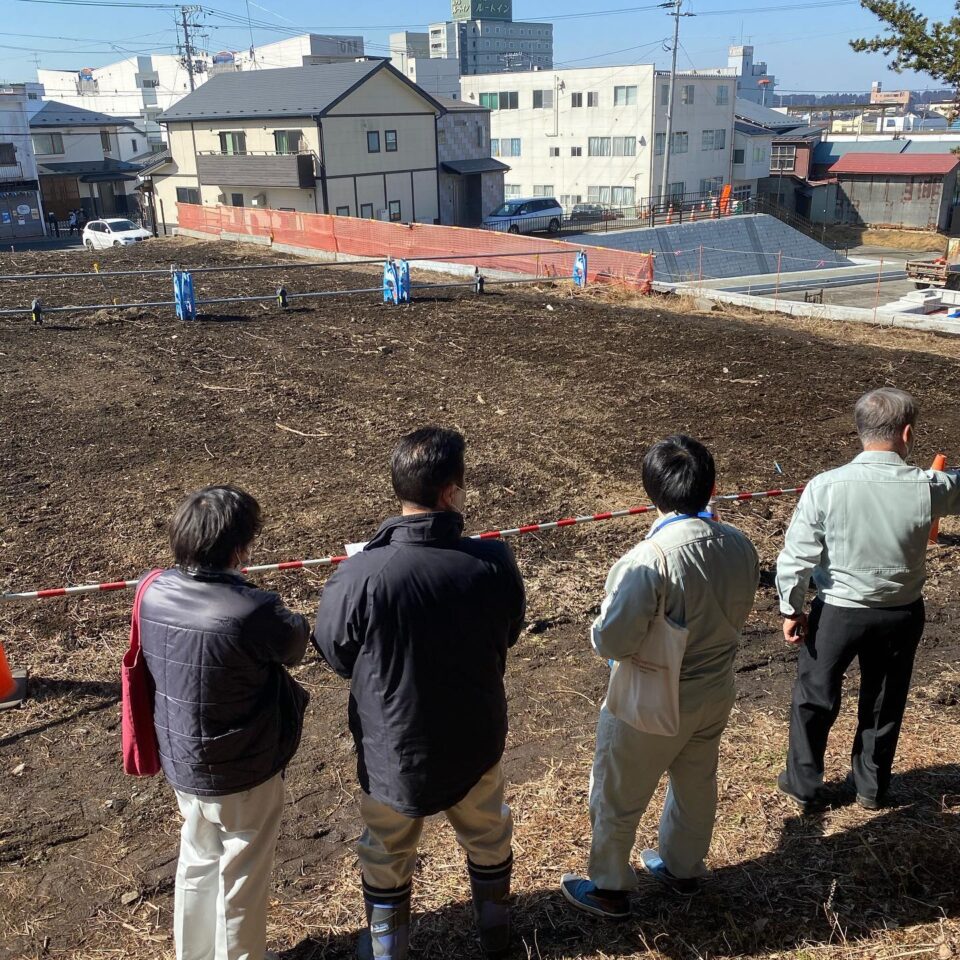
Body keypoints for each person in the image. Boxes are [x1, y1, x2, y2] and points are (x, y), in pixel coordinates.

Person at [313, 427, 525, 960]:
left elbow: (335, 652)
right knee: (488, 834)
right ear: (451, 492)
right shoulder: (494, 561)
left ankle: (388, 949)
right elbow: (510, 631)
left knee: (386, 850)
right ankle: (496, 937)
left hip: (394, 749)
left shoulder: (359, 573)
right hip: (475, 739)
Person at [561, 435, 759, 918]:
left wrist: (597, 629)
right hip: (716, 687)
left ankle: (608, 888)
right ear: (711, 486)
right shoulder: (740, 544)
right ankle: (683, 867)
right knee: (696, 783)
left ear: (651, 491)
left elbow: (614, 641)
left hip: (653, 696)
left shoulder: (649, 559)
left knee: (618, 791)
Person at [138, 485, 310, 960]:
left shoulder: (151, 591)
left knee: (197, 858)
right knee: (242, 872)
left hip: (182, 757)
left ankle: (193, 954)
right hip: (243, 764)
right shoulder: (253, 608)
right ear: (239, 549)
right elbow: (295, 643)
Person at [776, 388, 960, 812]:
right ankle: (871, 786)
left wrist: (792, 607)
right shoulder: (928, 486)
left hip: (838, 611)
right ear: (907, 433)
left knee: (815, 696)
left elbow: (797, 556)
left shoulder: (825, 486)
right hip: (901, 612)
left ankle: (803, 783)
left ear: (859, 430)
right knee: (884, 699)